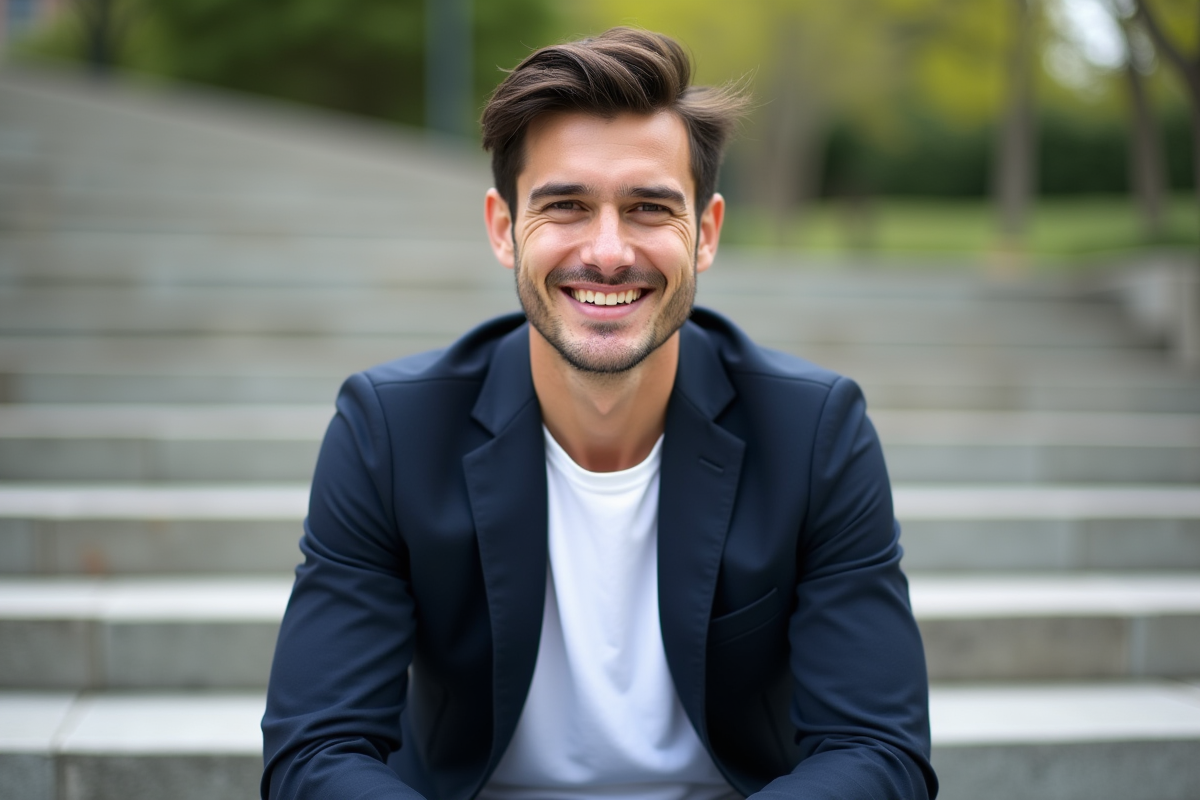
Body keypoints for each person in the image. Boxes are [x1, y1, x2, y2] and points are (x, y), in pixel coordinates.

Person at [261, 27, 936, 800]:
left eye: (650, 207)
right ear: (504, 229)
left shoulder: (816, 433)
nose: (609, 251)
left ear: (707, 233)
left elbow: (878, 751)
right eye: (566, 207)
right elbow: (315, 753)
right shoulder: (389, 432)